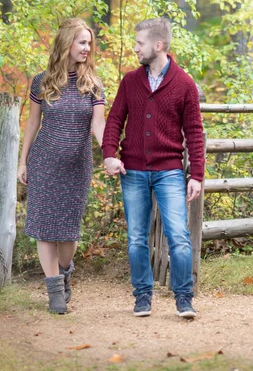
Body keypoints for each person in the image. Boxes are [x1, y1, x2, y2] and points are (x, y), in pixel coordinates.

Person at [102, 18, 205, 319]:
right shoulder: (130, 81)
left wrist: (196, 174)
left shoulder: (184, 84)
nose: (135, 48)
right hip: (132, 170)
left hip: (170, 171)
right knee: (136, 237)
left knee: (179, 236)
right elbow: (114, 121)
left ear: (157, 46)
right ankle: (142, 297)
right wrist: (110, 154)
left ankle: (184, 298)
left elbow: (195, 132)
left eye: (139, 43)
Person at [17, 18, 105, 314]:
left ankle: (65, 273)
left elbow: (99, 124)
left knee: (68, 233)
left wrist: (111, 153)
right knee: (44, 229)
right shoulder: (41, 81)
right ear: (67, 43)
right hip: (44, 163)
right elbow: (32, 123)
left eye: (89, 43)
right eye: (82, 42)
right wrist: (23, 161)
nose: (87, 48)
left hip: (77, 167)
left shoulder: (92, 84)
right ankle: (54, 292)